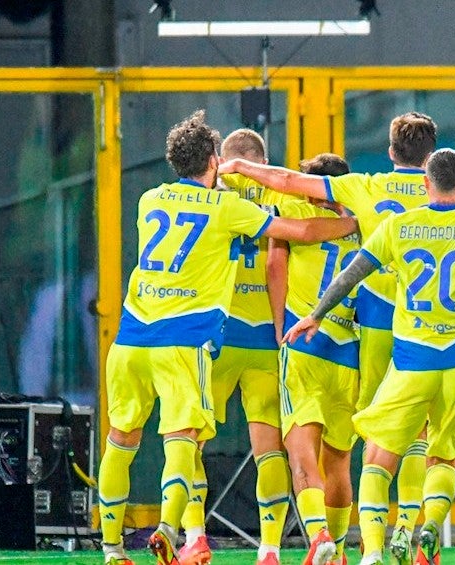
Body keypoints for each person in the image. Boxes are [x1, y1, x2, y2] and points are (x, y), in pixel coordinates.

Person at [95, 110, 357, 565]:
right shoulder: (271, 195)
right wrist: (356, 224)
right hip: (248, 340)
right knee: (266, 448)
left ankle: (176, 538)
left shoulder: (150, 199)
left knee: (149, 442)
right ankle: (270, 547)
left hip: (163, 337)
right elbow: (291, 241)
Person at [284, 148, 455, 565]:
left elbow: (352, 275)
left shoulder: (398, 226)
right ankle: (427, 529)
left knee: (378, 458)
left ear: (425, 184)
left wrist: (315, 314)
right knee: (443, 456)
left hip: (412, 361)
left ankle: (374, 552)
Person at [218, 111, 438, 560]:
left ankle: (309, 539)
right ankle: (370, 539)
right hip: (365, 346)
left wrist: (237, 166)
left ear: (392, 152)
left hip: (305, 341)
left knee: (299, 452)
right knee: (354, 454)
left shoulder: (357, 193)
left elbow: (277, 249)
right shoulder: (385, 211)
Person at [265, 152, 358, 565]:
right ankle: (335, 550)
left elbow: (275, 266)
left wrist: (277, 326)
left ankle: (318, 534)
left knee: (301, 450)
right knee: (339, 460)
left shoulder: (293, 212)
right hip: (351, 353)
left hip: (304, 344)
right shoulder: (366, 222)